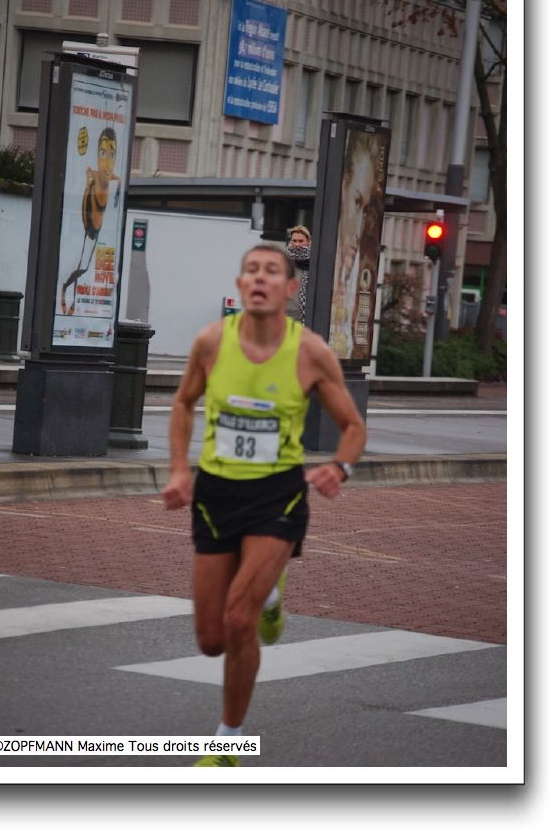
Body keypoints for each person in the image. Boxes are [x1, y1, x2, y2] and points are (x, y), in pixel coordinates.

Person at [163, 243, 366, 767]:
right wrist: (180, 469)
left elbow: (352, 426)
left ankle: (228, 743)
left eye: (271, 271)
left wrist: (339, 467)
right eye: (250, 270)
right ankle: (272, 595)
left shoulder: (310, 352)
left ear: (290, 288)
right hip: (216, 494)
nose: (259, 278)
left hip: (277, 497)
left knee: (238, 620)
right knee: (211, 640)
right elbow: (183, 402)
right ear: (240, 285)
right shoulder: (212, 342)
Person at [329, 131, 383, 358]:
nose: (360, 225)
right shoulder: (316, 267)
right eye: (357, 202)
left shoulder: (357, 278)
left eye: (366, 210)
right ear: (343, 187)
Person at [60, 127, 121, 315]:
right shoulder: (94, 176)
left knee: (84, 267)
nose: (107, 162)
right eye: (103, 153)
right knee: (82, 264)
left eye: (112, 155)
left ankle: (70, 297)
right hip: (89, 227)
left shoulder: (111, 179)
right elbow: (86, 198)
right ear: (97, 155)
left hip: (98, 228)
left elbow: (117, 182)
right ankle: (65, 292)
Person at [284, 225, 311, 323]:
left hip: (306, 316)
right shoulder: (284, 262)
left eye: (301, 241)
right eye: (294, 241)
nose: (297, 244)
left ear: (308, 242)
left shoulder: (314, 262)